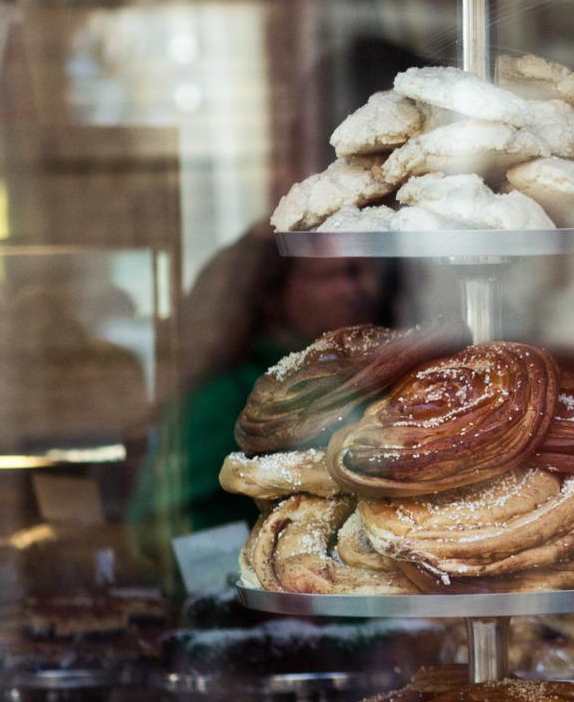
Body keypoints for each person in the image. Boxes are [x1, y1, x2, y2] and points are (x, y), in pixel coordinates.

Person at [128, 227, 392, 566]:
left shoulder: (353, 382)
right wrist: (252, 570)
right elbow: (156, 528)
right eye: (332, 275)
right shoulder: (229, 399)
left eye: (359, 272)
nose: (356, 290)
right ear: (272, 295)